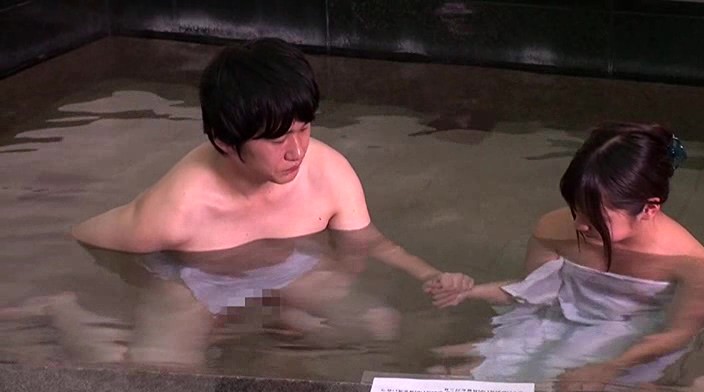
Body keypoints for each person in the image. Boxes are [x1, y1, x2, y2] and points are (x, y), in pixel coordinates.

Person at [71, 37, 470, 292]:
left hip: (286, 273)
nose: (298, 151)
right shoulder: (176, 212)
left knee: (378, 326)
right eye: (279, 140)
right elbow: (84, 237)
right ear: (226, 143)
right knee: (164, 363)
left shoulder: (329, 174)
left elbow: (366, 241)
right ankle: (66, 315)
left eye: (304, 128)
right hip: (195, 280)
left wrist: (429, 275)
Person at [425, 122, 704, 392]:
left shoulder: (695, 265)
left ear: (649, 208)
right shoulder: (554, 228)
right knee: (452, 375)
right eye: (576, 209)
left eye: (595, 216)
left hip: (630, 339)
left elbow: (679, 333)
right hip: (553, 320)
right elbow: (533, 291)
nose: (580, 225)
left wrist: (611, 367)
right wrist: (470, 291)